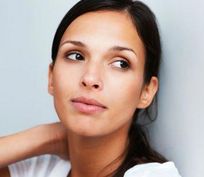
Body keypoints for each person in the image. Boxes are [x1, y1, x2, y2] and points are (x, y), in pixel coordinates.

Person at [0, 0, 181, 177]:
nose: (90, 78)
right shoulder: (40, 169)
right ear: (51, 77)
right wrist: (50, 136)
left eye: (120, 63)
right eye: (76, 56)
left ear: (146, 91)